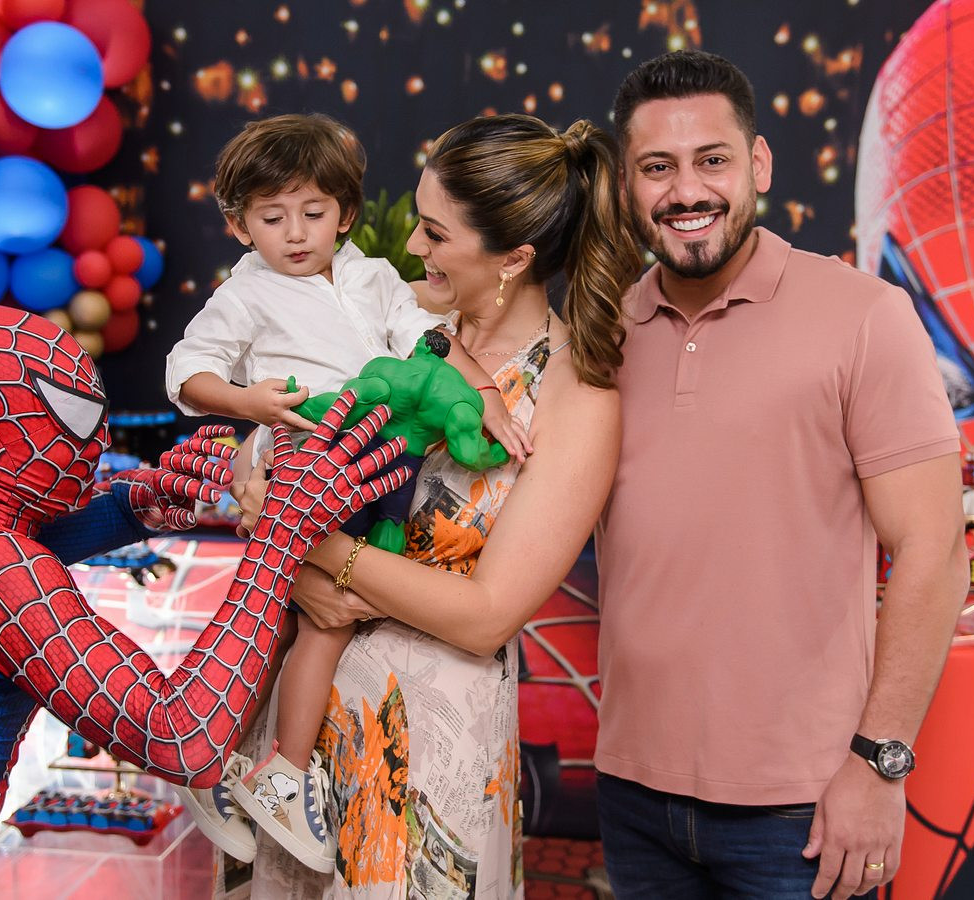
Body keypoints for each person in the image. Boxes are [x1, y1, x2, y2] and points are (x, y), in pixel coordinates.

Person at [231, 112, 640, 898]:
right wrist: (252, 474)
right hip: (292, 741)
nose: (412, 245)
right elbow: (272, 428)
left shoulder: (576, 395)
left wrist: (314, 549)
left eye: (435, 232)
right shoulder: (387, 316)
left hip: (420, 756)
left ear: (514, 258)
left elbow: (487, 614)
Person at [593, 50, 970, 900]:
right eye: (657, 167)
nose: (687, 191)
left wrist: (878, 764)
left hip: (804, 807)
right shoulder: (603, 331)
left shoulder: (865, 316)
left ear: (758, 164)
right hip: (630, 790)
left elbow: (936, 552)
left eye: (712, 160)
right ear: (625, 184)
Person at [0, 305, 407, 900]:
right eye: (72, 414)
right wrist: (279, 539)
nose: (95, 440)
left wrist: (146, 496)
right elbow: (180, 737)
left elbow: (21, 537)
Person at [163, 113, 529, 870]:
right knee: (316, 624)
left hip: (371, 454)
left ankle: (212, 761)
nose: (296, 233)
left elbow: (427, 342)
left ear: (345, 213)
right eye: (272, 218)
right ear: (239, 226)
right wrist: (247, 402)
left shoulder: (373, 276)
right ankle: (280, 776)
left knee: (287, 622)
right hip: (308, 448)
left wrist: (484, 390)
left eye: (313, 211)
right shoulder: (247, 294)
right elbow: (188, 371)